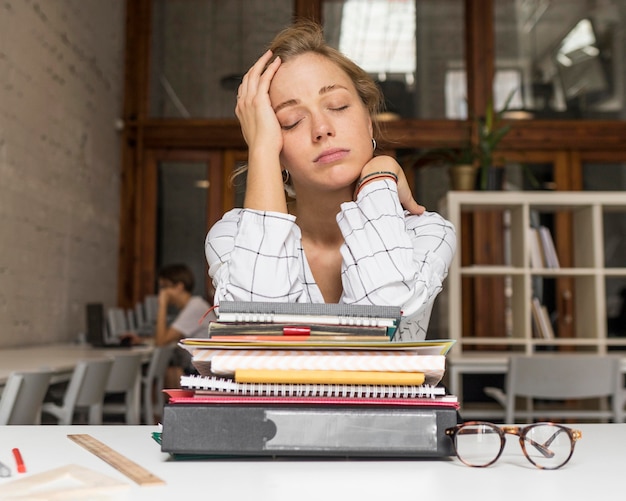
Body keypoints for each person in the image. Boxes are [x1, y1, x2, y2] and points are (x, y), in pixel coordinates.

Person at [205, 21, 456, 341]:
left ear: (368, 120)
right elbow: (257, 338)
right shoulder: (235, 236)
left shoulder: (425, 233)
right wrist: (262, 150)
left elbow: (382, 331)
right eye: (290, 121)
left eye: (337, 106)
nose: (321, 128)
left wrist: (378, 174)